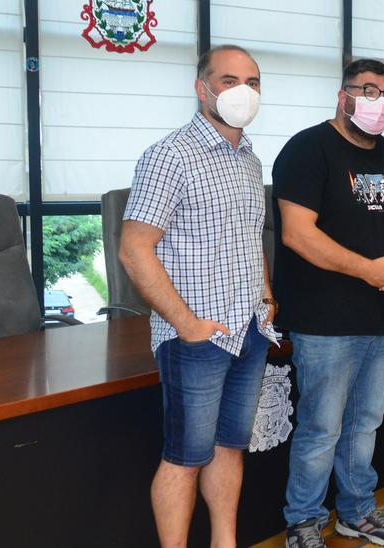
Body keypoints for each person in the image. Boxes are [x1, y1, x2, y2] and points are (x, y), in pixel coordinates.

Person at [119, 44, 276, 548]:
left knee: (229, 448)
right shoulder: (170, 155)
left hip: (248, 326)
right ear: (201, 87)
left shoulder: (249, 158)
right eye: (229, 81)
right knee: (184, 458)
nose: (243, 92)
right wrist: (186, 323)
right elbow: (134, 250)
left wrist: (267, 295)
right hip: (196, 337)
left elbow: (251, 238)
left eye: (252, 82)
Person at [272, 59, 384, 547]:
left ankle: (357, 511)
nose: (380, 102)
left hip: (378, 317)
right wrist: (369, 270)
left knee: (365, 425)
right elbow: (297, 235)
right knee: (320, 429)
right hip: (322, 319)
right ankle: (304, 521)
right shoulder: (307, 149)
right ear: (343, 95)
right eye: (369, 90)